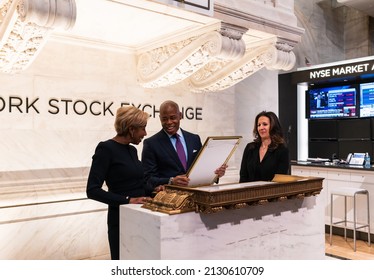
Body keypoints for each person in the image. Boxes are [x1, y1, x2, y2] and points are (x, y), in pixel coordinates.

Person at [86, 106, 151, 260]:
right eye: (143, 128)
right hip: (121, 220)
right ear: (131, 129)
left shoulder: (132, 151)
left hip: (142, 217)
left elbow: (138, 183)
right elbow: (92, 190)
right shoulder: (106, 149)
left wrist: (158, 189)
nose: (145, 134)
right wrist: (127, 200)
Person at [142, 100, 226, 189]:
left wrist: (216, 174)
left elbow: (201, 168)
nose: (169, 122)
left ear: (180, 116)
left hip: (197, 195)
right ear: (160, 119)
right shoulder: (151, 143)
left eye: (173, 117)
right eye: (164, 119)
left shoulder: (194, 139)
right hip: (171, 198)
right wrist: (171, 181)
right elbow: (148, 179)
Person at [239, 111, 289, 182]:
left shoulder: (282, 149)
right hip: (249, 192)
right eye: (258, 125)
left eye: (265, 124)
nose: (261, 128)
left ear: (273, 126)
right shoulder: (250, 147)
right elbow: (243, 175)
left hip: (271, 192)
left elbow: (280, 179)